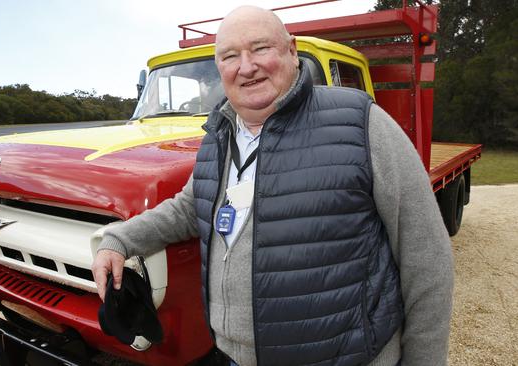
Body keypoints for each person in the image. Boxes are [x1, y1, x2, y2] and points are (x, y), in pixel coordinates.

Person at [92, 5, 453, 366]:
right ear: (219, 68)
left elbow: (426, 259)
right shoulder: (219, 134)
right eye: (230, 56)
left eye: (260, 48)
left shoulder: (361, 123)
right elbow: (191, 205)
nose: (246, 67)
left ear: (292, 51)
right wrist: (121, 239)